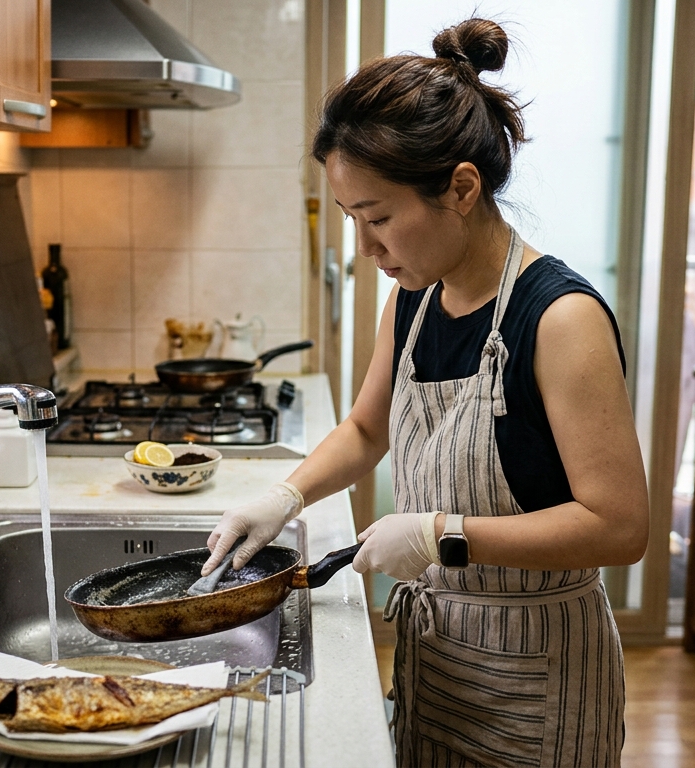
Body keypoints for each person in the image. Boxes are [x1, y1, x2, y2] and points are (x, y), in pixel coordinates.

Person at [201, 17, 649, 767]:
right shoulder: (415, 298)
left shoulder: (560, 319)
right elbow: (366, 430)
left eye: (378, 219)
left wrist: (443, 533)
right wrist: (285, 496)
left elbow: (619, 526)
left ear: (461, 188)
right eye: (352, 220)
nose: (367, 249)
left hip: (538, 683)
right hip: (436, 663)